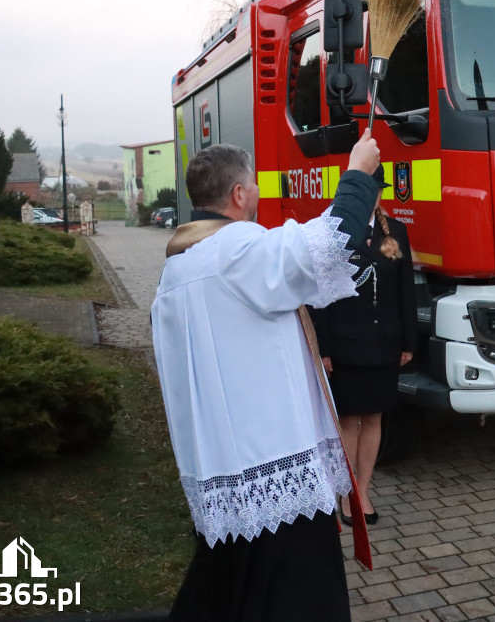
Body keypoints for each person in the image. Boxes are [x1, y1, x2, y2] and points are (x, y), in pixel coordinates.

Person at [151, 130, 381, 622]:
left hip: (223, 469)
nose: (258, 191)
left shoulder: (178, 269)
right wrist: (360, 173)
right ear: (238, 195)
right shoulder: (236, 252)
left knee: (229, 588)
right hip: (274, 463)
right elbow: (329, 242)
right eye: (253, 183)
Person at [310, 165, 417, 526]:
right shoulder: (333, 232)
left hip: (385, 343)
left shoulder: (396, 230)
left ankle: (363, 489)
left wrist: (408, 340)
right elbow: (319, 296)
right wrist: (322, 347)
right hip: (346, 344)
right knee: (348, 419)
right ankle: (345, 494)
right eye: (366, 190)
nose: (373, 196)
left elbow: (406, 291)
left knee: (374, 418)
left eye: (377, 190)